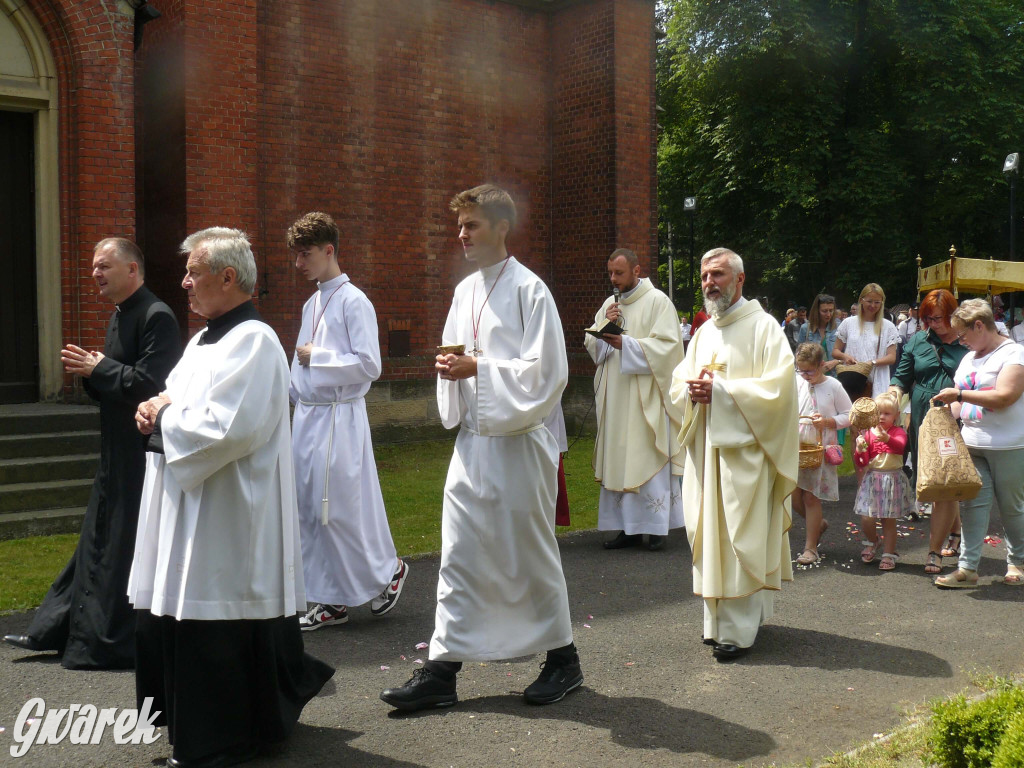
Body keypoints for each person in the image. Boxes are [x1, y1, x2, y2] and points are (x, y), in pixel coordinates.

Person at [130, 228, 333, 767]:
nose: (185, 282)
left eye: (194, 272)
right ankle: (195, 732)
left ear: (228, 276)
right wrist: (156, 404)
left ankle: (221, 740)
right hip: (191, 503)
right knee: (181, 615)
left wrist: (167, 417)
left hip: (229, 509)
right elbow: (182, 395)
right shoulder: (203, 340)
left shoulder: (256, 341)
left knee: (216, 623)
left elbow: (230, 428)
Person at [380, 184, 580, 711]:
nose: (462, 235)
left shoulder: (531, 290)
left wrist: (479, 370)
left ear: (500, 227)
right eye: (460, 225)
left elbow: (547, 373)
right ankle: (443, 670)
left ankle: (564, 660)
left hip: (519, 444)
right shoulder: (466, 289)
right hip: (474, 445)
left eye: (472, 225)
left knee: (527, 552)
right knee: (461, 555)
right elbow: (456, 353)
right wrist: (451, 370)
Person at [4, 239, 180, 669]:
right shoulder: (120, 315)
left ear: (133, 270)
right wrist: (93, 372)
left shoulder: (157, 316)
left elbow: (152, 386)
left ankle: (109, 640)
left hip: (142, 454)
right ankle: (57, 628)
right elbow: (113, 383)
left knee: (119, 545)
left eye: (105, 266)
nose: (95, 274)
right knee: (95, 540)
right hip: (114, 449)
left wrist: (98, 368)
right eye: (93, 267)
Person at [668, 247, 798, 661]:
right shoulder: (705, 332)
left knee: (740, 537)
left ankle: (738, 631)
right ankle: (716, 623)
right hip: (706, 452)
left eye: (718, 275)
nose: (710, 282)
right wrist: (691, 391)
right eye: (705, 275)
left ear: (740, 279)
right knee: (707, 536)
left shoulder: (764, 328)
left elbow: (780, 391)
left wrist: (722, 393)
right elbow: (678, 383)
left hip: (745, 455)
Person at [287, 212, 408, 630]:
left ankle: (388, 570)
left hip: (339, 418)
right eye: (296, 255)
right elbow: (296, 363)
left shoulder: (355, 301)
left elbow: (370, 364)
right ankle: (329, 598)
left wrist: (316, 357)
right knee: (309, 510)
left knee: (338, 508)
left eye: (305, 255)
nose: (298, 264)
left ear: (329, 250)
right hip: (308, 418)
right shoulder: (312, 301)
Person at [585, 248, 684, 551]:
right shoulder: (609, 304)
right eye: (610, 273)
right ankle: (626, 529)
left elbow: (669, 348)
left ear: (637, 271)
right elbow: (592, 342)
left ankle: (656, 528)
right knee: (620, 458)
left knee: (645, 455)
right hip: (616, 396)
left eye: (619, 273)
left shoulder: (658, 302)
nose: (613, 280)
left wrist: (626, 344)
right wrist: (604, 330)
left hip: (645, 399)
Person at [932, 299, 1024, 589]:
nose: (962, 340)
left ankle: (1018, 562)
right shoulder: (968, 357)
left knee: (1012, 508)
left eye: (964, 334)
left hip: (1010, 445)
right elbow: (957, 405)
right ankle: (968, 569)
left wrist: (959, 396)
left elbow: (1004, 396)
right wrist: (942, 421)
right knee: (972, 506)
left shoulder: (1014, 353)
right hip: (972, 443)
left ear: (980, 326)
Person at [889, 289, 968, 574]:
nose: (933, 324)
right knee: (936, 479)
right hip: (923, 419)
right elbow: (901, 377)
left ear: (952, 315)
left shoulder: (967, 342)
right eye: (928, 319)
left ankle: (934, 551)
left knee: (944, 484)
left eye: (938, 318)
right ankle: (956, 533)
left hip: (955, 419)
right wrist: (890, 398)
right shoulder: (917, 341)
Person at [793, 343, 852, 565]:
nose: (805, 375)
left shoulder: (833, 386)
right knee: (792, 493)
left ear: (821, 365)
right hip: (797, 445)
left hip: (821, 446)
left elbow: (849, 414)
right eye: (801, 370)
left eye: (810, 370)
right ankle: (817, 524)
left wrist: (828, 422)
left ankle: (810, 547)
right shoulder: (796, 382)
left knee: (811, 495)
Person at [852, 392, 915, 570]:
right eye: (878, 413)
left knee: (888, 519)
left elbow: (900, 446)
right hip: (873, 478)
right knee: (867, 517)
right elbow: (861, 462)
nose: (881, 417)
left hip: (892, 478)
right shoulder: (868, 434)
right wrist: (859, 450)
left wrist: (887, 438)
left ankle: (888, 553)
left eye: (887, 413)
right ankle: (873, 541)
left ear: (896, 416)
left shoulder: (898, 432)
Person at [797, 294, 840, 376]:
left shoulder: (839, 327)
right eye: (824, 311)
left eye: (831, 310)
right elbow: (799, 357)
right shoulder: (805, 329)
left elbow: (847, 354)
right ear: (816, 311)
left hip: (835, 376)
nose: (828, 314)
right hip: (812, 377)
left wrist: (836, 362)